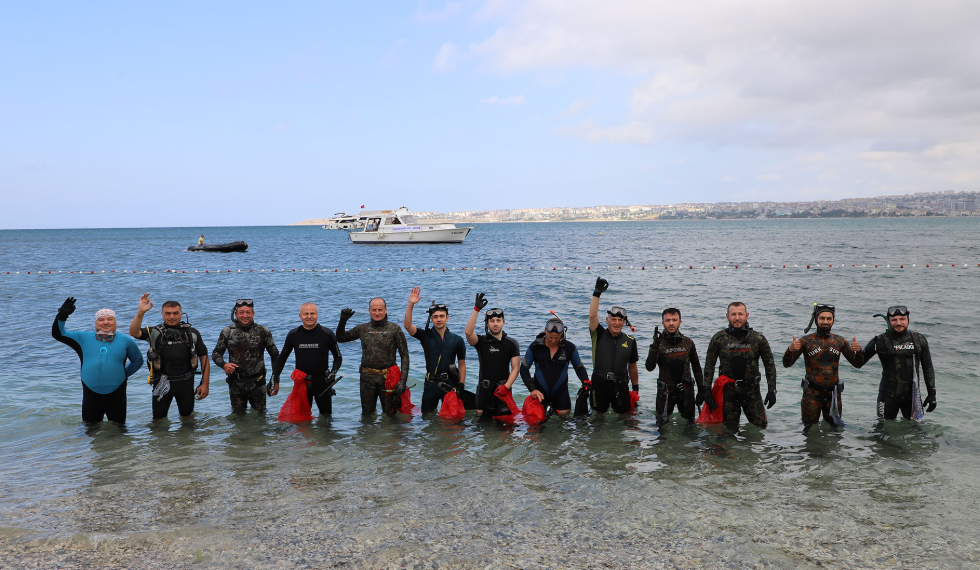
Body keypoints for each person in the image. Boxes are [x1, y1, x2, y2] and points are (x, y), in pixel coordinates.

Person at [51, 298, 143, 423]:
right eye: (101, 320)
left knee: (118, 430)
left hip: (117, 393)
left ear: (116, 322)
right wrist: (62, 315)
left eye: (110, 319)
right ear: (95, 323)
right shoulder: (82, 338)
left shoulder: (126, 341)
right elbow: (58, 334)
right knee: (90, 430)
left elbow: (138, 361)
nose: (106, 322)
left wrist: (124, 374)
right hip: (91, 393)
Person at [128, 293, 210, 420]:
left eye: (175, 313)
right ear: (162, 314)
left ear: (181, 314)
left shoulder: (192, 333)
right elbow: (134, 332)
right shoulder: (154, 332)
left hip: (186, 382)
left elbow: (204, 357)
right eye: (168, 313)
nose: (172, 316)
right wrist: (141, 312)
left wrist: (205, 383)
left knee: (187, 419)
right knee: (158, 420)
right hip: (161, 382)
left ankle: (187, 440)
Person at [782, 304, 863, 429]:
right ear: (816, 319)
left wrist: (859, 351)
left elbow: (857, 364)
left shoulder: (840, 341)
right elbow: (786, 364)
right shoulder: (805, 341)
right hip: (811, 395)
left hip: (833, 395)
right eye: (822, 318)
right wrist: (790, 350)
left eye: (829, 318)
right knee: (808, 430)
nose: (825, 321)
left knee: (835, 430)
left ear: (833, 320)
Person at [703, 302, 778, 429]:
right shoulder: (719, 338)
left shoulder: (758, 338)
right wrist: (706, 390)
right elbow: (709, 365)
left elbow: (769, 365)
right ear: (727, 316)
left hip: (752, 394)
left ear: (747, 315)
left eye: (740, 314)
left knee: (760, 431)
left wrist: (772, 390)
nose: (737, 318)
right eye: (733, 314)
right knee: (728, 434)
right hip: (728, 395)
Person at [856, 305, 937, 419]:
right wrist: (857, 351)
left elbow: (928, 367)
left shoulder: (919, 339)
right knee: (882, 430)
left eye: (902, 319)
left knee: (915, 432)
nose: (898, 323)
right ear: (888, 321)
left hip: (912, 398)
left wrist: (932, 393)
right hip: (887, 397)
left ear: (908, 319)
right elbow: (858, 363)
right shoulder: (879, 341)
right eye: (894, 320)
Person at [336, 297, 410, 416]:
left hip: (388, 378)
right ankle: (368, 435)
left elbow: (405, 355)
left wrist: (402, 381)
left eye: (380, 309)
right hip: (367, 378)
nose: (377, 313)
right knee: (367, 415)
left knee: (390, 415)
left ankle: (391, 434)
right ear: (369, 311)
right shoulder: (362, 329)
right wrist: (342, 321)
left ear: (385, 310)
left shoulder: (394, 329)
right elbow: (341, 338)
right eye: (374, 310)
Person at [272, 303, 343, 416]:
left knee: (326, 420)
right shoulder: (293, 335)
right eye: (306, 314)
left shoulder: (327, 334)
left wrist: (333, 373)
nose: (309, 316)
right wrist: (274, 378)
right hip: (302, 383)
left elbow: (338, 358)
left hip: (323, 382)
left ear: (317, 315)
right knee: (302, 420)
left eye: (312, 313)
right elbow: (282, 359)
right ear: (300, 316)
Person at [404, 287, 467, 414]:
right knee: (426, 418)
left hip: (450, 384)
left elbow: (462, 364)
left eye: (442, 316)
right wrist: (411, 304)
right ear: (431, 319)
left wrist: (461, 385)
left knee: (451, 419)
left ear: (447, 318)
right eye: (435, 317)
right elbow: (407, 326)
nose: (439, 319)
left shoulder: (457, 339)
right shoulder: (425, 336)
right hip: (431, 383)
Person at [212, 299, 280, 412]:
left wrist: (275, 380)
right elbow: (216, 354)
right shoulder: (227, 331)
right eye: (241, 312)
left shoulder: (263, 331)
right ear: (236, 314)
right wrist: (224, 365)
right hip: (236, 384)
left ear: (253, 313)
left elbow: (275, 356)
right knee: (238, 419)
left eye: (248, 312)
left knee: (261, 418)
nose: (245, 315)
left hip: (258, 384)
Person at [520, 315, 590, 417]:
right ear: (545, 331)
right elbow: (523, 369)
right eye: (550, 337)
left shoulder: (569, 348)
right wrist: (532, 389)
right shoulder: (535, 347)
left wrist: (585, 380)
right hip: (540, 395)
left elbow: (579, 367)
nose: (553, 340)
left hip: (561, 396)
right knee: (537, 428)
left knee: (563, 425)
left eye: (556, 338)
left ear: (562, 333)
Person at [588, 277, 639, 414]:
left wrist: (635, 388)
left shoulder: (630, 341)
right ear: (607, 320)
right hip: (599, 384)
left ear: (624, 322)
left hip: (621, 385)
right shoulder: (598, 334)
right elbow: (593, 316)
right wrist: (597, 293)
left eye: (620, 320)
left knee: (623, 419)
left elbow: (632, 366)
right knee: (597, 419)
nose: (617, 323)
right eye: (613, 319)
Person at [464, 293, 520, 418]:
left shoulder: (511, 343)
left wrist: (506, 387)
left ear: (503, 323)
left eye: (498, 321)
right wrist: (476, 310)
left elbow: (516, 368)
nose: (495, 324)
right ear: (487, 323)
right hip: (484, 390)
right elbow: (468, 333)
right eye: (492, 321)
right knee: (481, 422)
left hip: (504, 389)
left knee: (505, 426)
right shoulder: (481, 342)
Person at [645, 308, 705, 423]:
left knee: (690, 426)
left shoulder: (688, 343)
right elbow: (649, 367)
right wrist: (654, 348)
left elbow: (696, 367)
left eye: (674, 320)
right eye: (667, 320)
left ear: (680, 322)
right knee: (661, 426)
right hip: (665, 393)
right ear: (663, 323)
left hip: (687, 391)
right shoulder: (658, 344)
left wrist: (701, 390)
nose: (671, 323)